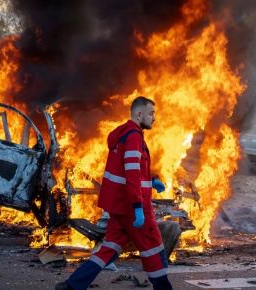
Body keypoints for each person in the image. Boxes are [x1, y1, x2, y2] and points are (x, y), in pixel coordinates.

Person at [57, 97, 172, 290]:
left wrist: (151, 181)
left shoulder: (123, 135)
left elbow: (127, 169)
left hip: (119, 207)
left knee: (109, 249)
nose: (154, 118)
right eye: (151, 113)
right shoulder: (134, 136)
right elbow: (132, 174)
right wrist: (138, 208)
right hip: (133, 207)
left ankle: (72, 285)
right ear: (139, 114)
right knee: (153, 249)